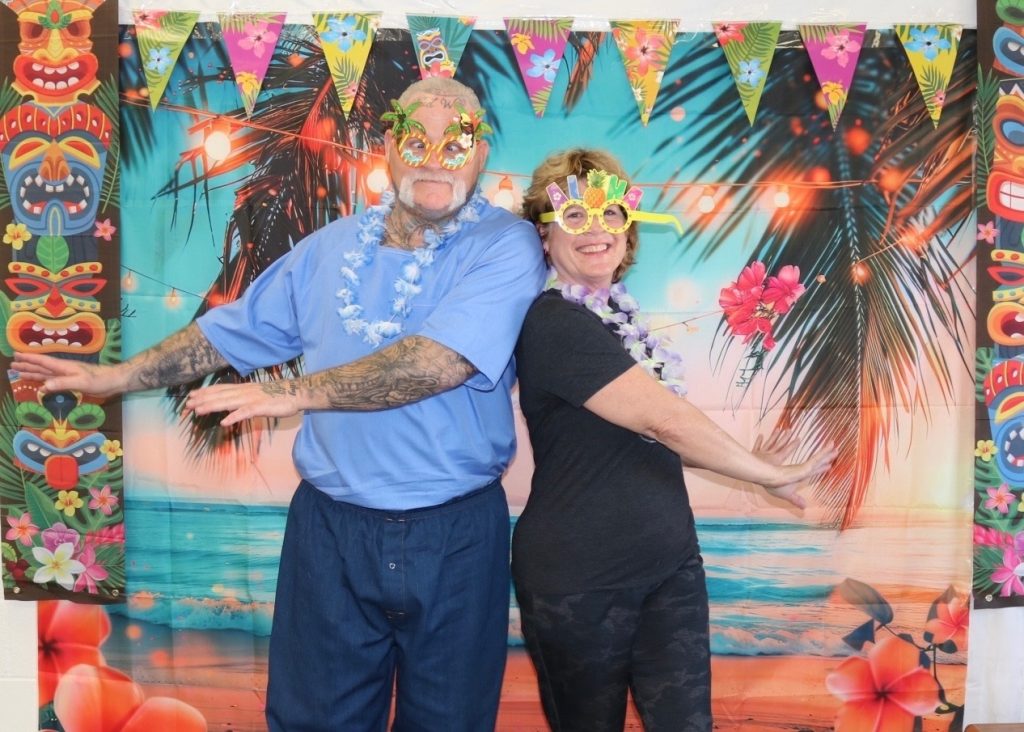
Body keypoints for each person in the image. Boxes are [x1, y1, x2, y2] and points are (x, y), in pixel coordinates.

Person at [12, 77, 547, 731]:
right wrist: (116, 378)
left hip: (456, 536)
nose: (436, 154)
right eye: (417, 136)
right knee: (312, 721)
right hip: (331, 532)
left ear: (482, 152)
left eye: (457, 138)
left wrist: (288, 390)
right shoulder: (330, 248)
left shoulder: (507, 246)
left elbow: (437, 364)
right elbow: (229, 332)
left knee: (450, 724)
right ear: (387, 146)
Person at [511, 148, 837, 731]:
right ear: (543, 232)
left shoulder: (615, 319)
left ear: (628, 228)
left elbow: (664, 431)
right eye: (574, 216)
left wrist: (759, 472)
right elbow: (665, 421)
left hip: (668, 565)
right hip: (580, 579)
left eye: (610, 214)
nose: (596, 231)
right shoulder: (554, 322)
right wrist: (768, 473)